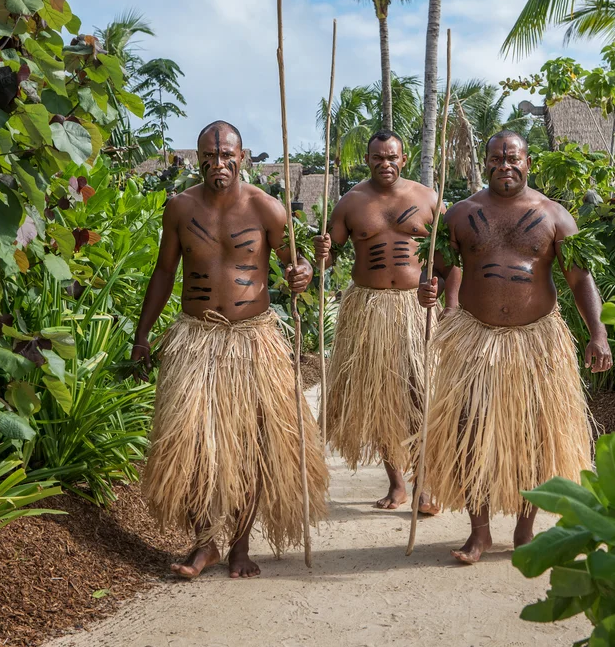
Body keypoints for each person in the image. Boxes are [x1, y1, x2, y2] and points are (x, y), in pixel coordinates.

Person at [132, 120, 329, 580]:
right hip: (195, 338)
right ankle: (205, 544)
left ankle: (239, 546)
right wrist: (142, 336)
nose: (217, 163)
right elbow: (163, 273)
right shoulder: (180, 208)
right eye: (209, 155)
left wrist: (302, 271)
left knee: (250, 446)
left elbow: (292, 263)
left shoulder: (267, 209)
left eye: (226, 155)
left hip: (252, 339)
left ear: (242, 156)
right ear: (196, 158)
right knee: (193, 445)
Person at [417, 130, 612, 564]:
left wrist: (597, 331)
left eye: (513, 158)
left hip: (536, 340)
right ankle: (479, 534)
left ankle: (525, 533)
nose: (505, 165)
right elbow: (437, 268)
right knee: (471, 432)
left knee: (533, 436)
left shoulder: (555, 216)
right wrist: (425, 291)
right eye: (496, 158)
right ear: (484, 162)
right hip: (474, 339)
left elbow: (581, 279)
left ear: (528, 162)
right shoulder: (460, 215)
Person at [313, 130, 460, 512]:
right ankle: (397, 485)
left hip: (415, 308)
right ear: (368, 159)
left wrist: (446, 299)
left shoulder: (429, 200)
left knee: (417, 397)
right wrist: (321, 252)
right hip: (368, 309)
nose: (385, 163)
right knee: (381, 399)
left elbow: (450, 261)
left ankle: (424, 483)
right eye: (377, 158)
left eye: (391, 157)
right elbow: (328, 258)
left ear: (404, 158)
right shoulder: (351, 202)